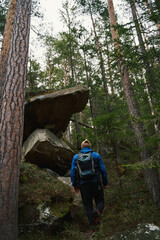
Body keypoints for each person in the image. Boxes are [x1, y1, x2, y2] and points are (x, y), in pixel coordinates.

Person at [70, 139, 109, 233]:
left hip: (83, 185)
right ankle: (98, 213)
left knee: (88, 206)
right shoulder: (96, 155)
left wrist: (75, 185)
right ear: (90, 147)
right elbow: (103, 170)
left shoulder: (76, 157)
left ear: (82, 147)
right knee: (100, 201)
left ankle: (94, 229)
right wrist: (105, 182)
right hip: (96, 183)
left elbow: (72, 172)